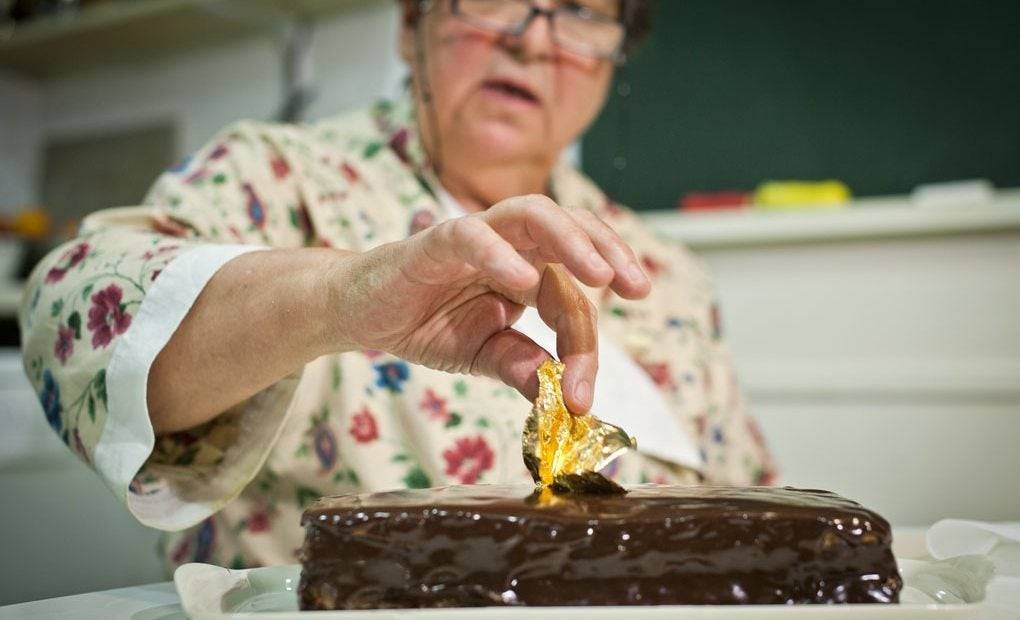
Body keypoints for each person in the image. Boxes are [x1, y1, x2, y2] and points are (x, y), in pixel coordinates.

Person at [19, 0, 776, 573]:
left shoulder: (665, 273)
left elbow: (758, 513)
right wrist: (338, 296)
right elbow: (66, 313)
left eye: (580, 11)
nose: (532, 35)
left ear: (613, 61)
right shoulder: (282, 180)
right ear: (409, 27)